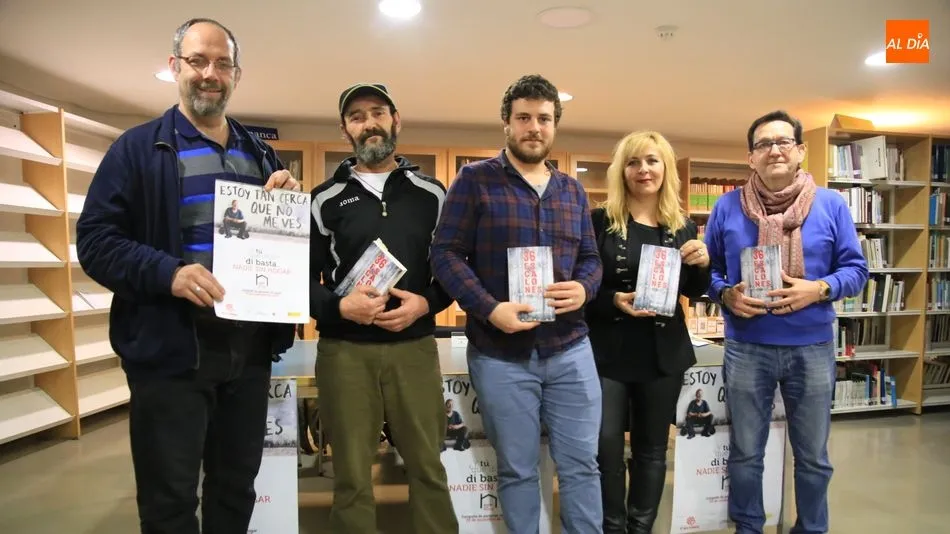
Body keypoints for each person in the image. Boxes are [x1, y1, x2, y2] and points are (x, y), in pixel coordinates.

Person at [75, 18, 298, 534]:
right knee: (169, 499)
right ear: (176, 67)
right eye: (198, 61)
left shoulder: (260, 155)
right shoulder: (137, 149)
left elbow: (281, 251)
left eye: (222, 63)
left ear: (236, 74)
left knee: (235, 486)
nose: (210, 74)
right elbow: (95, 241)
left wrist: (289, 209)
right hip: (170, 351)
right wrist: (168, 272)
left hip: (248, 352)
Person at [431, 74, 604, 534]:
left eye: (544, 119)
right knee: (519, 469)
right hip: (500, 354)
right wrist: (489, 309)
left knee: (582, 467)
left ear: (555, 125)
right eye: (524, 117)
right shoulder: (474, 180)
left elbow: (591, 258)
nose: (534, 127)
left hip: (570, 349)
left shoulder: (572, 190)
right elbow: (445, 254)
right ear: (506, 124)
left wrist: (585, 289)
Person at [704, 110, 869, 534]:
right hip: (746, 347)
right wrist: (725, 294)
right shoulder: (726, 207)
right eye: (763, 144)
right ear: (750, 158)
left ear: (799, 151)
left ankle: (811, 528)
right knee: (745, 452)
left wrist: (819, 289)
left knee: (813, 455)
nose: (774, 150)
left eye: (782, 142)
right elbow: (711, 271)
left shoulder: (831, 204)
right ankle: (748, 527)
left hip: (811, 347)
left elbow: (856, 270)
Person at [308, 82, 458, 534]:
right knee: (352, 476)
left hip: (413, 349)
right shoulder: (322, 200)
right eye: (357, 116)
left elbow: (452, 270)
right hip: (345, 353)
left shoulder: (432, 193)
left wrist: (425, 305)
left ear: (396, 120)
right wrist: (338, 308)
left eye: (377, 112)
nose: (369, 122)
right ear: (344, 130)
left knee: (427, 468)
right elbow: (299, 281)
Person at [585, 130, 710, 534]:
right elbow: (583, 285)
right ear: (622, 171)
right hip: (607, 353)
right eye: (634, 162)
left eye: (652, 161)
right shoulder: (601, 221)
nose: (644, 170)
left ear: (666, 168)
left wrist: (703, 262)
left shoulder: (682, 225)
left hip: (663, 354)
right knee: (605, 449)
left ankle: (641, 528)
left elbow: (693, 290)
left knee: (652, 451)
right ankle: (612, 527)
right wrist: (613, 301)